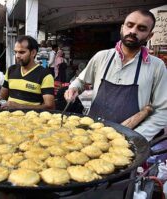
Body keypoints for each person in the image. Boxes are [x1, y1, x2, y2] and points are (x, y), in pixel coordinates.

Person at [64, 9, 167, 141]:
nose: (133, 31)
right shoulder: (102, 57)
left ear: (149, 35)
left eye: (141, 28)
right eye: (130, 25)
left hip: (129, 139)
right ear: (122, 28)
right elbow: (81, 81)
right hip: (92, 133)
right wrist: (74, 89)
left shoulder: (156, 66)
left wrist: (136, 137)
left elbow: (162, 111)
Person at [0, 35, 55, 110]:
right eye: (16, 52)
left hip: (32, 120)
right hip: (8, 119)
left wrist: (19, 107)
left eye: (22, 52)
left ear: (33, 53)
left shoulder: (45, 75)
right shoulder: (11, 70)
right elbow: (2, 96)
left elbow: (50, 106)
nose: (17, 56)